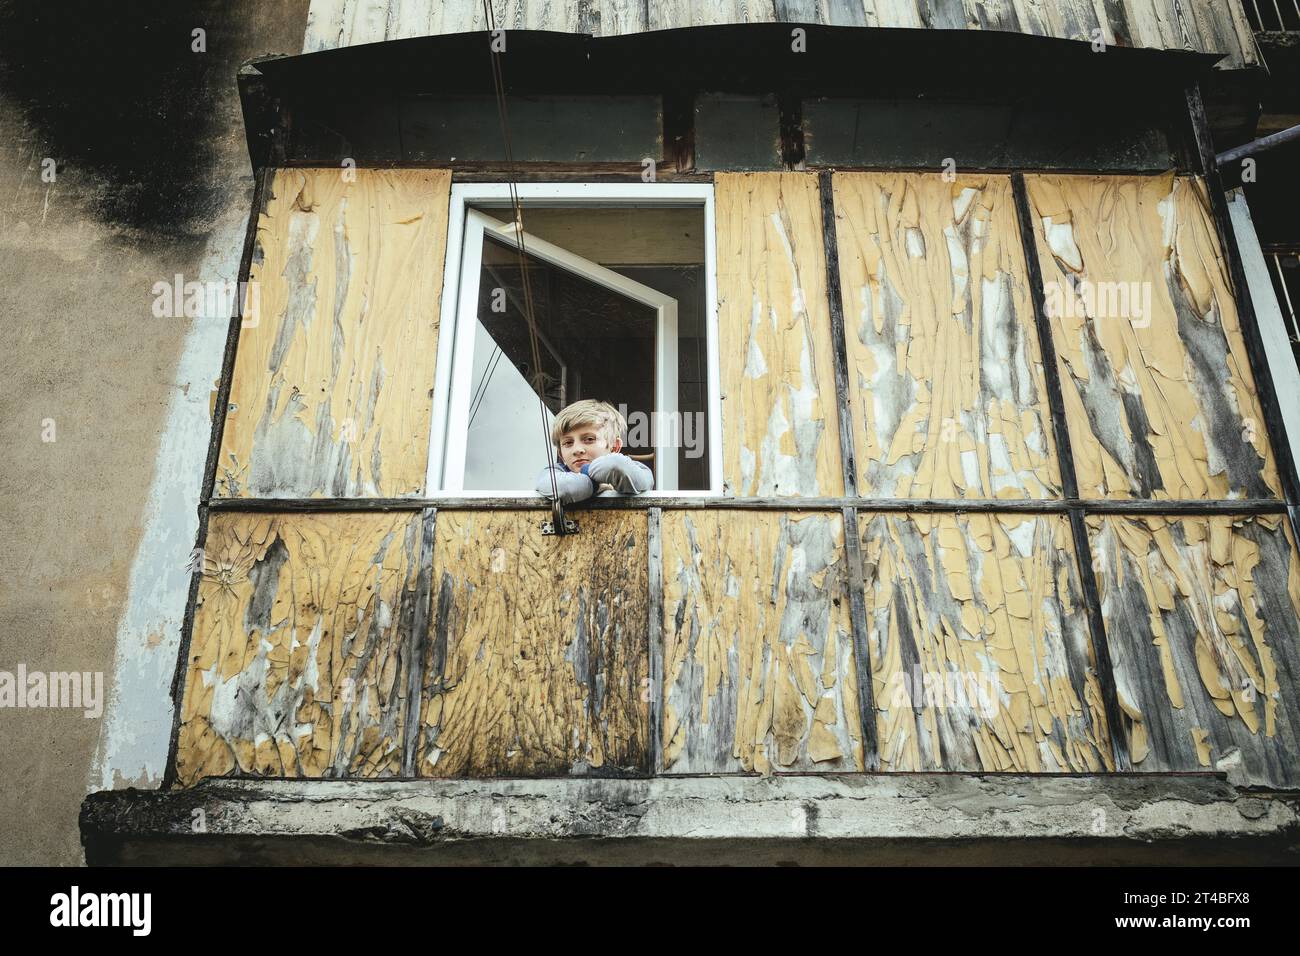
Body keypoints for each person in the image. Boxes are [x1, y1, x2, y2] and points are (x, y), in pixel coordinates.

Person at [535, 399, 654, 504]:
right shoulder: (555, 472)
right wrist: (597, 485)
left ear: (614, 447)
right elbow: (565, 488)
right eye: (568, 443)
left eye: (589, 439)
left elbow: (616, 465)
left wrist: (589, 470)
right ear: (561, 454)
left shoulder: (637, 469)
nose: (577, 450)